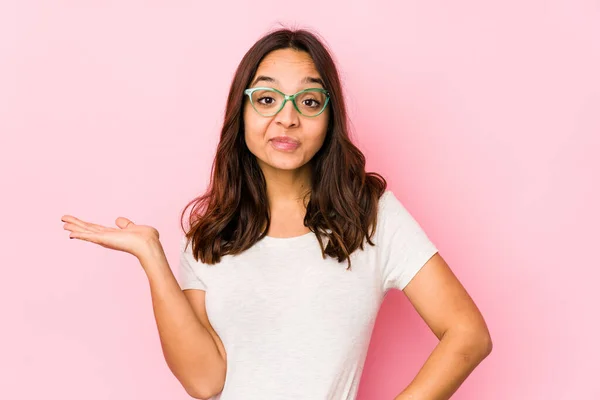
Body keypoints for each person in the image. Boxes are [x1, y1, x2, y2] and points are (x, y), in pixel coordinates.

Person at [61, 28, 492, 400]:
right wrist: (152, 256)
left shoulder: (371, 215)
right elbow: (204, 381)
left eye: (308, 101)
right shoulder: (211, 233)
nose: (286, 118)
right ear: (242, 112)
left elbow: (468, 334)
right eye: (267, 98)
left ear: (329, 118)